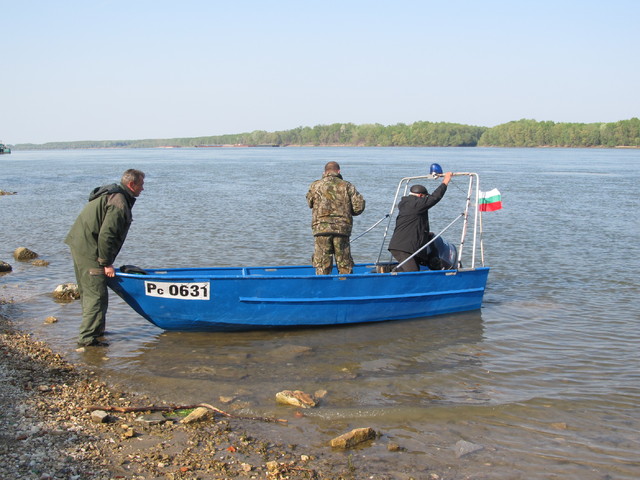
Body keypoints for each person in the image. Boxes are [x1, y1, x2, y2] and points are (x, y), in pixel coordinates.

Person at [65, 169, 145, 347]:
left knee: (89, 290)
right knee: (97, 294)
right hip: (89, 248)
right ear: (131, 185)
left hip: (80, 243)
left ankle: (96, 330)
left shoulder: (116, 195)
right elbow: (106, 235)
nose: (143, 189)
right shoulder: (119, 201)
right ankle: (88, 339)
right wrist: (106, 263)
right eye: (141, 185)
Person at [306, 161, 365, 275]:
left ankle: (323, 288)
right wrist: (348, 212)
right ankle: (345, 286)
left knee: (322, 263)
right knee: (344, 263)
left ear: (324, 172)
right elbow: (359, 206)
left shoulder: (315, 185)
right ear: (338, 171)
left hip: (321, 229)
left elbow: (310, 203)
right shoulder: (347, 186)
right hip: (341, 229)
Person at [388, 172, 452, 272]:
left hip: (402, 245)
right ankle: (388, 274)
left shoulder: (406, 203)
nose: (426, 199)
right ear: (420, 195)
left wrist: (425, 234)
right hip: (404, 248)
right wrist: (445, 181)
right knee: (413, 272)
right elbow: (435, 197)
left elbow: (414, 223)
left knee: (413, 267)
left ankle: (388, 272)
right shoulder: (416, 204)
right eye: (425, 197)